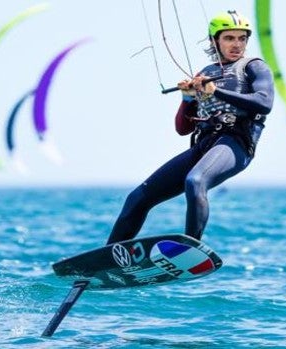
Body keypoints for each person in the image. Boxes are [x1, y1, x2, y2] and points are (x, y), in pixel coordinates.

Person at [106, 10, 274, 245]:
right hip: (204, 144)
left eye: (242, 38)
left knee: (195, 181)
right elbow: (183, 129)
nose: (237, 44)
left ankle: (190, 247)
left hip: (236, 142)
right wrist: (187, 99)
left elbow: (264, 103)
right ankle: (110, 257)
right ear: (215, 40)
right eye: (229, 38)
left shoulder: (254, 67)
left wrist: (216, 91)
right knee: (138, 197)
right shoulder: (204, 74)